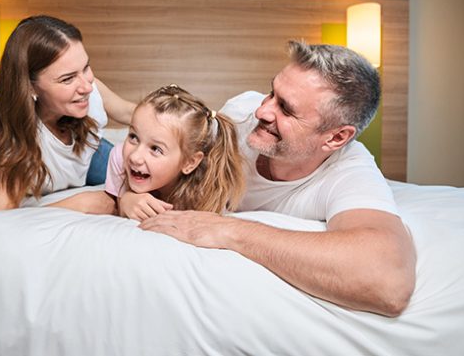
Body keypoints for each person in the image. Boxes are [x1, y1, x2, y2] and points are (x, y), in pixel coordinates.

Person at [131, 41, 417, 317]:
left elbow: (389, 280)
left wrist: (230, 231)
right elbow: (166, 149)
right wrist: (125, 196)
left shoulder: (350, 171)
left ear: (336, 137)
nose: (262, 111)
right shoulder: (241, 112)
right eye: (271, 93)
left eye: (286, 109)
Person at [0, 15, 135, 211]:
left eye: (86, 67)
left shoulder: (90, 87)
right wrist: (77, 203)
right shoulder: (14, 144)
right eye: (68, 79)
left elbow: (129, 112)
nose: (87, 87)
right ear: (30, 88)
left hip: (92, 152)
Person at [49, 84, 245, 216]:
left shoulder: (205, 190)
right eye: (133, 136)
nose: (135, 156)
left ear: (189, 163)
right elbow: (111, 199)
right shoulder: (120, 156)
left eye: (156, 149)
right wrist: (125, 199)